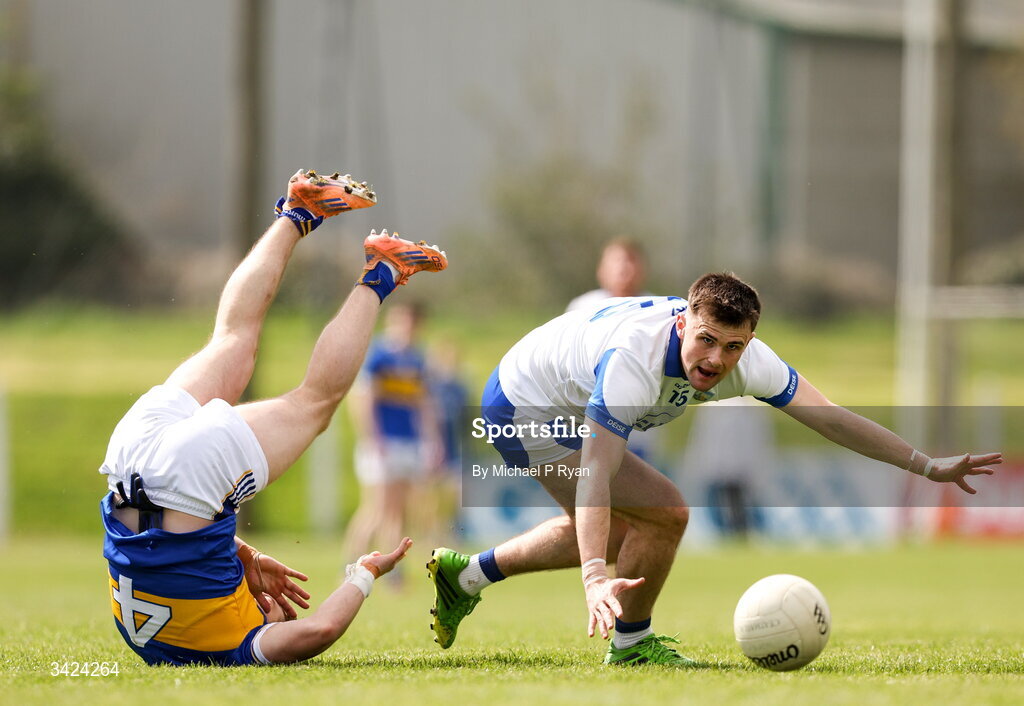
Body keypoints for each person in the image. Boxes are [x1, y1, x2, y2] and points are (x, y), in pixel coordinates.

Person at [426, 272, 1002, 666]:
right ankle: (629, 644)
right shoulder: (634, 361)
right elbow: (597, 477)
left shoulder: (750, 360)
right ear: (683, 324)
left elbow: (829, 419)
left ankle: (465, 576)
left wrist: (927, 465)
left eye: (732, 347)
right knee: (660, 515)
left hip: (563, 395)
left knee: (636, 525)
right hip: (522, 403)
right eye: (706, 341)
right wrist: (594, 580)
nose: (716, 361)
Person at [100, 169, 447, 667]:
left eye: (276, 613)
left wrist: (365, 573)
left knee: (316, 403)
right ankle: (296, 212)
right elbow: (159, 545)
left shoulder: (240, 646)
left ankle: (384, 270)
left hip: (185, 479)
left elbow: (320, 630)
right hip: (127, 459)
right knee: (231, 339)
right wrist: (242, 554)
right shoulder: (151, 643)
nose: (277, 606)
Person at [342, 301, 442, 578]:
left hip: (409, 442)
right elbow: (363, 400)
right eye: (402, 322)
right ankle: (350, 565)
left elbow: (424, 405)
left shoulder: (417, 360)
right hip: (383, 443)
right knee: (375, 508)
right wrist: (373, 438)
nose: (407, 329)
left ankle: (392, 573)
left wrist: (433, 441)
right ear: (393, 323)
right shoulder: (379, 356)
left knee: (398, 511)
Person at [565, 238, 649, 313]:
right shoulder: (582, 307)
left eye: (631, 260)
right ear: (601, 271)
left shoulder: (655, 307)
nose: (623, 267)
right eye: (617, 260)